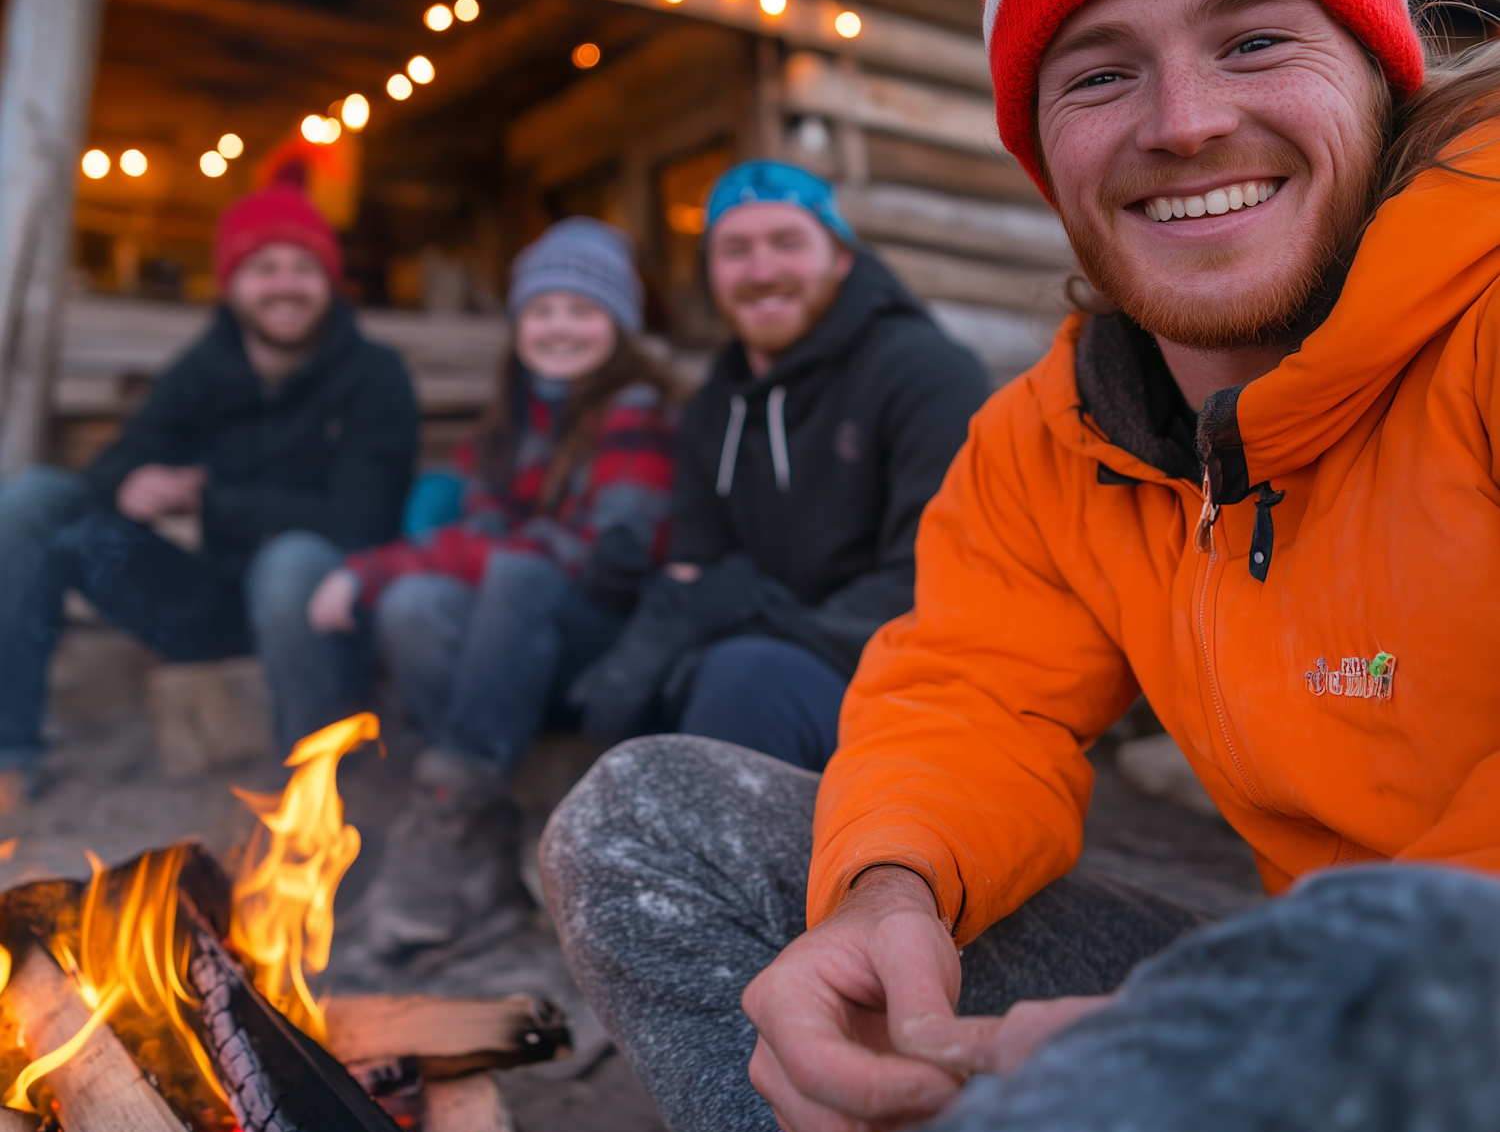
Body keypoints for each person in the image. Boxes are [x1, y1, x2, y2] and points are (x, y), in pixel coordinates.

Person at [541, 0, 1500, 1132]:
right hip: (1287, 970)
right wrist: (886, 891)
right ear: (1041, 149)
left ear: (1381, 74)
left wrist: (1249, 1032)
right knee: (645, 824)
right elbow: (969, 689)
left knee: (1400, 953)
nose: (1182, 119)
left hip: (1444, 992)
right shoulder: (1050, 435)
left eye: (1255, 38)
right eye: (1099, 73)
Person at [309, 217, 678, 958]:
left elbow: (605, 551)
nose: (559, 326)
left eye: (583, 309)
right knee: (417, 604)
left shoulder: (639, 407)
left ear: (619, 322)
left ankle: (450, 818)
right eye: (543, 309)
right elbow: (477, 534)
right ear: (518, 323)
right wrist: (395, 575)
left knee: (513, 570)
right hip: (512, 638)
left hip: (607, 636)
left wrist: (373, 565)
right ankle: (480, 830)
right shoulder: (507, 419)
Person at [0, 184, 418, 802]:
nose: (285, 284)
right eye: (263, 267)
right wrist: (131, 481)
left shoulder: (375, 374)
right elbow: (116, 462)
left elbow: (362, 520)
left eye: (304, 268)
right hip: (211, 607)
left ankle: (312, 796)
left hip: (325, 610)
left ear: (329, 281)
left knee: (291, 560)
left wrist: (210, 501)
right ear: (231, 281)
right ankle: (11, 754)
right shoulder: (206, 366)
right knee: (35, 500)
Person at [569, 162, 989, 771]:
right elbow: (698, 559)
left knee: (741, 677)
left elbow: (933, 586)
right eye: (735, 250)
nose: (761, 271)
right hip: (774, 646)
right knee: (618, 655)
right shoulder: (716, 402)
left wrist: (751, 619)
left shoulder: (925, 373)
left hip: (910, 673)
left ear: (841, 257)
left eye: (787, 243)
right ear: (711, 273)